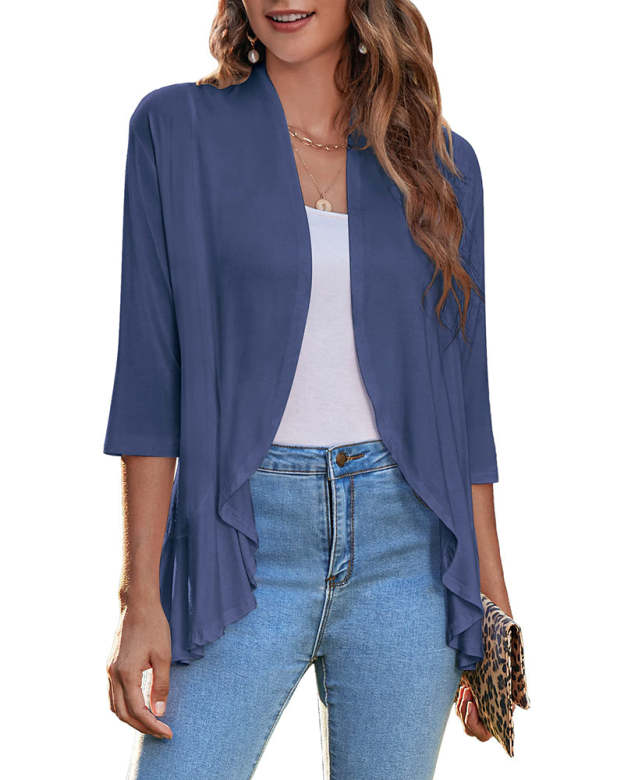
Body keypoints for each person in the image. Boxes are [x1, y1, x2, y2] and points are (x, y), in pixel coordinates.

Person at [104, 2, 513, 777]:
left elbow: (465, 407)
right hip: (238, 542)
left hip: (410, 556)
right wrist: (141, 599)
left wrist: (489, 610)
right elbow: (150, 381)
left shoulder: (440, 163)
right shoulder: (175, 129)